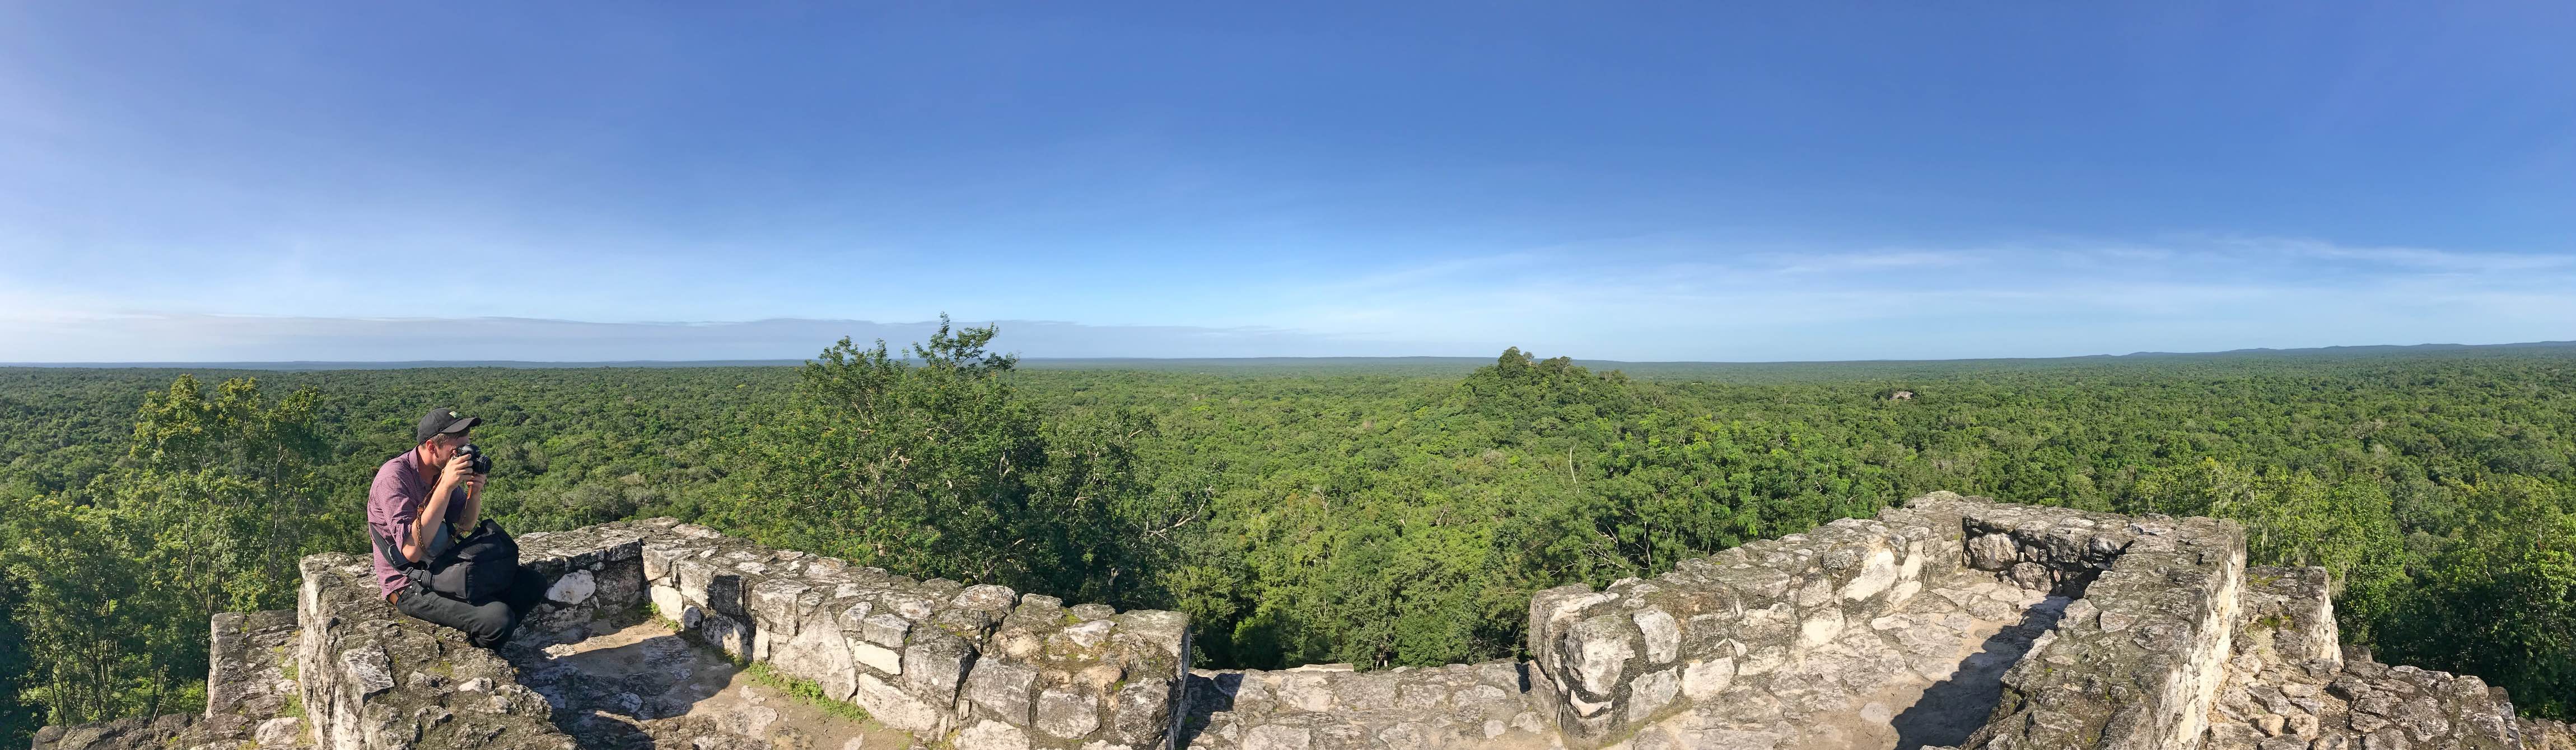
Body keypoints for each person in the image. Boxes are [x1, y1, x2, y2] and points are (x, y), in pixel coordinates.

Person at [366, 407, 542, 648]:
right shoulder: (394, 479)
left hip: (443, 567)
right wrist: (446, 487)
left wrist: (475, 491)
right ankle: (482, 654)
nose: (462, 457)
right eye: (457, 451)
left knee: (533, 583)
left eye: (466, 448)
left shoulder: (441, 470)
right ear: (431, 447)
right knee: (498, 620)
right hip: (409, 583)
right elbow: (411, 552)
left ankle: (481, 637)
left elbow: (465, 524)